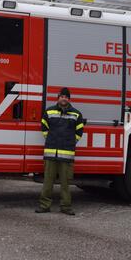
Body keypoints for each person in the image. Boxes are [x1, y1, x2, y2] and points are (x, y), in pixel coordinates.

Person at [35, 87, 84, 216]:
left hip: (66, 154)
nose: (64, 99)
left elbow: (79, 131)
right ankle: (44, 206)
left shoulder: (76, 114)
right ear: (58, 98)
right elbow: (44, 126)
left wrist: (71, 142)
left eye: (66, 97)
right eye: (62, 96)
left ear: (69, 99)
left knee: (65, 183)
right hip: (51, 153)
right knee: (48, 182)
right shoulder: (49, 111)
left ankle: (66, 207)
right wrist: (50, 139)